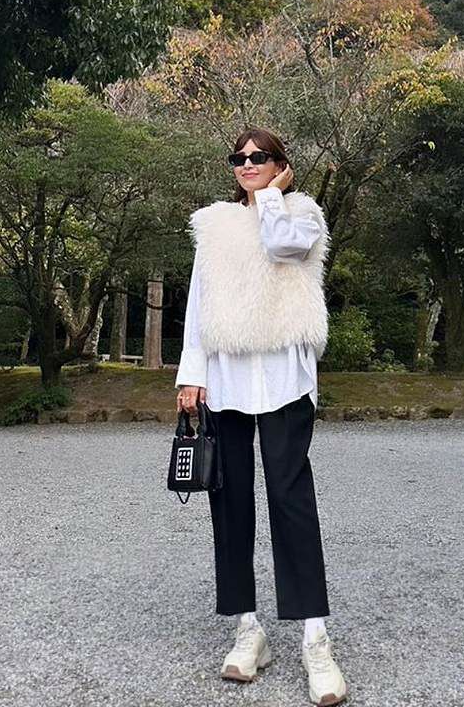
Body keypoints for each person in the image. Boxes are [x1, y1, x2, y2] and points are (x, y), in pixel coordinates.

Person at [175, 126, 348, 706]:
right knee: (229, 503)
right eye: (239, 158)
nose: (247, 164)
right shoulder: (214, 225)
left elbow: (283, 248)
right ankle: (248, 628)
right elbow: (198, 303)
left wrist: (273, 196)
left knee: (291, 500)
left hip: (284, 379)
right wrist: (190, 374)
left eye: (259, 157)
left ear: (280, 164)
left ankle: (315, 639)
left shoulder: (302, 215)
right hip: (225, 378)